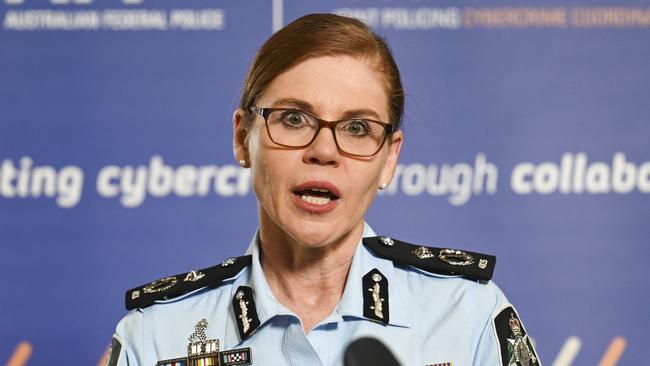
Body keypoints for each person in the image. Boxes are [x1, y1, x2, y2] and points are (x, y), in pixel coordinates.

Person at [107, 13, 540, 366]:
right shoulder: (155, 334)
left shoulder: (470, 315)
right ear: (243, 138)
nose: (324, 151)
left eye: (357, 128)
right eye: (294, 119)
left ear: (390, 158)